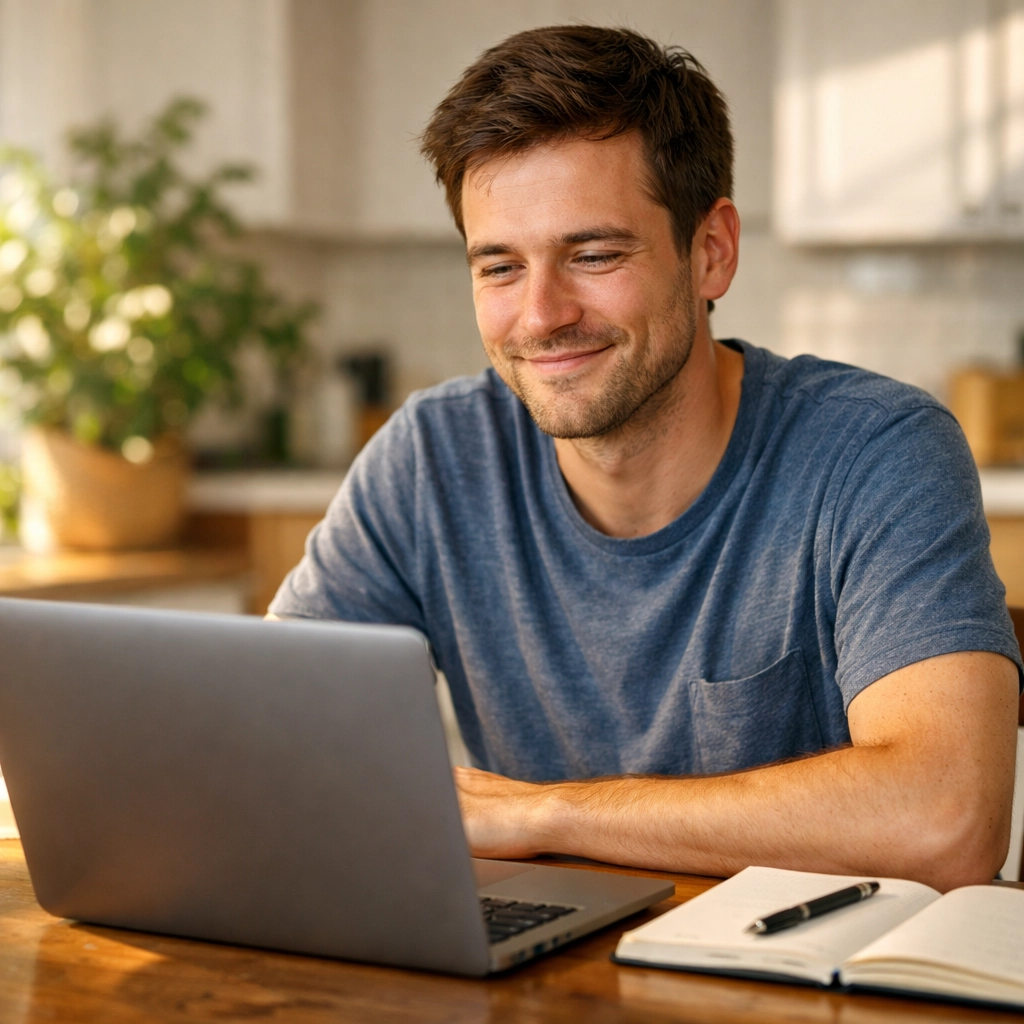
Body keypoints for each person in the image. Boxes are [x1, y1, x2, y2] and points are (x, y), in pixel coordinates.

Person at [269, 26, 1021, 891]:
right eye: (500, 267)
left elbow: (949, 817)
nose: (541, 314)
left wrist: (546, 812)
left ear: (712, 251)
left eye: (592, 255)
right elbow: (268, 747)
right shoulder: (433, 458)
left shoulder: (875, 451)